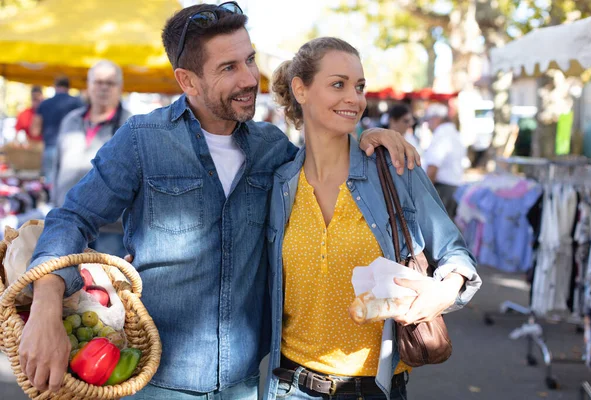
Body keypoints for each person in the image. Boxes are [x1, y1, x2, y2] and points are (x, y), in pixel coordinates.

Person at [18, 3, 420, 399]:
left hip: (245, 382)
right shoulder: (142, 140)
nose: (249, 78)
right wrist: (46, 306)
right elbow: (72, 217)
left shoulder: (273, 148)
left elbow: (328, 159)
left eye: (250, 60)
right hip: (154, 381)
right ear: (187, 81)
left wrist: (367, 139)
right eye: (228, 68)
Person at [265, 37, 481, 400]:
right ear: (300, 89)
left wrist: (441, 294)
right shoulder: (279, 183)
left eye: (359, 86)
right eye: (339, 84)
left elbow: (457, 255)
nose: (355, 98)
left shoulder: (396, 169)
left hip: (376, 389)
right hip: (290, 387)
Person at [51, 60, 131, 257]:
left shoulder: (131, 125)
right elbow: (56, 164)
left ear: (120, 88)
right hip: (68, 224)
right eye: (98, 82)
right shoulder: (71, 119)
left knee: (104, 285)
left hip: (111, 229)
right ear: (88, 85)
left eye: (110, 83)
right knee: (67, 283)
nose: (103, 88)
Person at [31, 76, 84, 183]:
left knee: (51, 183)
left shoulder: (44, 104)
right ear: (69, 87)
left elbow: (35, 130)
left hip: (51, 146)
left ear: (55, 86)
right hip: (73, 149)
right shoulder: (78, 103)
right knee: (71, 183)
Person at [422, 103, 465, 219]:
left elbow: (433, 167)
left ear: (436, 119)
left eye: (429, 120)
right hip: (454, 187)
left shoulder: (441, 134)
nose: (428, 125)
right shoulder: (454, 133)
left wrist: (423, 192)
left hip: (443, 189)